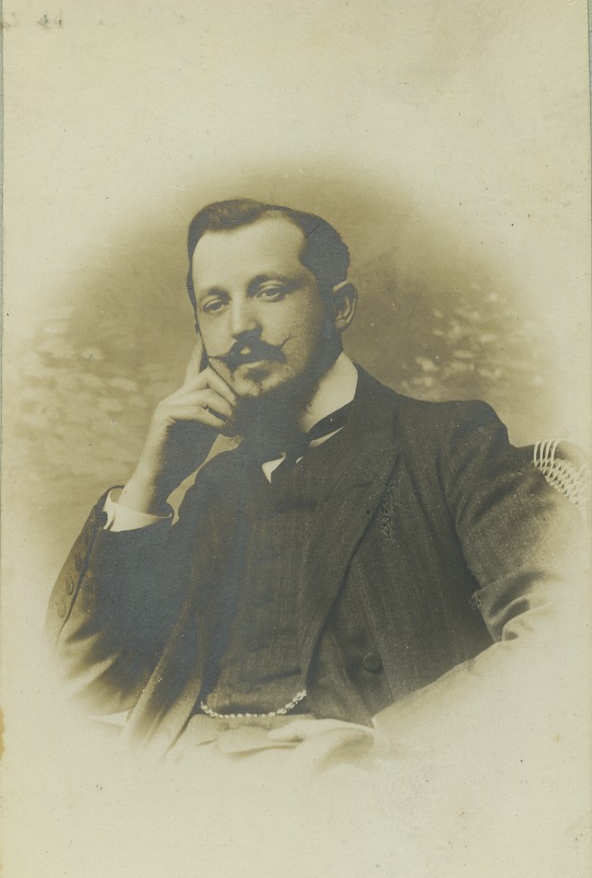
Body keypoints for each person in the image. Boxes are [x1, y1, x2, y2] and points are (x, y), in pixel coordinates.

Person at [46, 198, 586, 763]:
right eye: (215, 304)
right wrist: (149, 487)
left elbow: (568, 630)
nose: (240, 327)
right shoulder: (215, 486)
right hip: (190, 774)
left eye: (269, 291)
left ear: (339, 307)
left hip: (353, 780)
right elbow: (91, 690)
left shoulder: (450, 442)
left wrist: (391, 744)